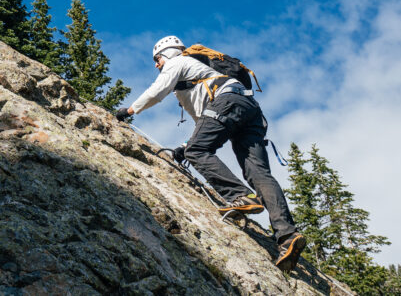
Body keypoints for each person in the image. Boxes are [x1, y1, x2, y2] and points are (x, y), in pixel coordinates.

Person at [118, 35, 307, 273]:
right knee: (258, 173)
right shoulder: (198, 76)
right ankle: (288, 236)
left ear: (167, 53)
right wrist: (186, 145)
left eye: (156, 59)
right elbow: (204, 123)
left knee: (199, 151)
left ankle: (241, 196)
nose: (156, 65)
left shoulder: (179, 62)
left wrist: (130, 110)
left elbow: (157, 92)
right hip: (249, 109)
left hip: (226, 103)